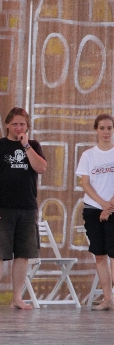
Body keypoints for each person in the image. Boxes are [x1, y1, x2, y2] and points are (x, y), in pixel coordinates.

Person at [0, 107, 47, 310]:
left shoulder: (33, 145)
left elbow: (41, 168)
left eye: (22, 124)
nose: (18, 127)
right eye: (14, 124)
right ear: (7, 124)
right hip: (2, 208)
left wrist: (26, 146)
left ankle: (17, 297)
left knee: (23, 254)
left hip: (27, 208)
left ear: (27, 126)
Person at [75, 114, 114, 310]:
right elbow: (85, 184)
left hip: (113, 208)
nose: (106, 132)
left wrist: (109, 206)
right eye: (102, 128)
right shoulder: (88, 155)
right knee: (99, 255)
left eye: (109, 128)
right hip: (93, 209)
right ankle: (107, 298)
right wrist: (102, 204)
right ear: (96, 130)